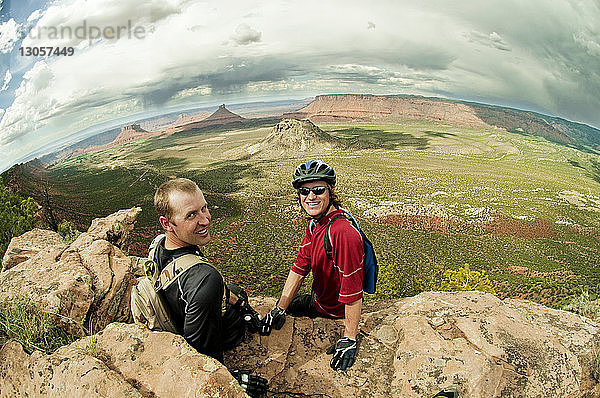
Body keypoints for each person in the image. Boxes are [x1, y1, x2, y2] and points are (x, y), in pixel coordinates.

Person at [152, 178, 267, 397]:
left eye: (204, 208)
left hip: (181, 310)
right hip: (205, 335)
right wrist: (229, 381)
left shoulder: (160, 244)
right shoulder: (204, 279)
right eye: (191, 215)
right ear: (167, 223)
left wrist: (241, 305)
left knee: (236, 291)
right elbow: (200, 352)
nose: (205, 219)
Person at [259, 160, 364, 372]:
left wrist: (349, 338)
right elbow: (300, 267)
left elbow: (353, 290)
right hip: (318, 300)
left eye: (318, 190)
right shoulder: (315, 223)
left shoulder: (342, 233)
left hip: (332, 311)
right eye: (304, 191)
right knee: (290, 309)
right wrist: (280, 308)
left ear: (330, 192)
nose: (310, 197)